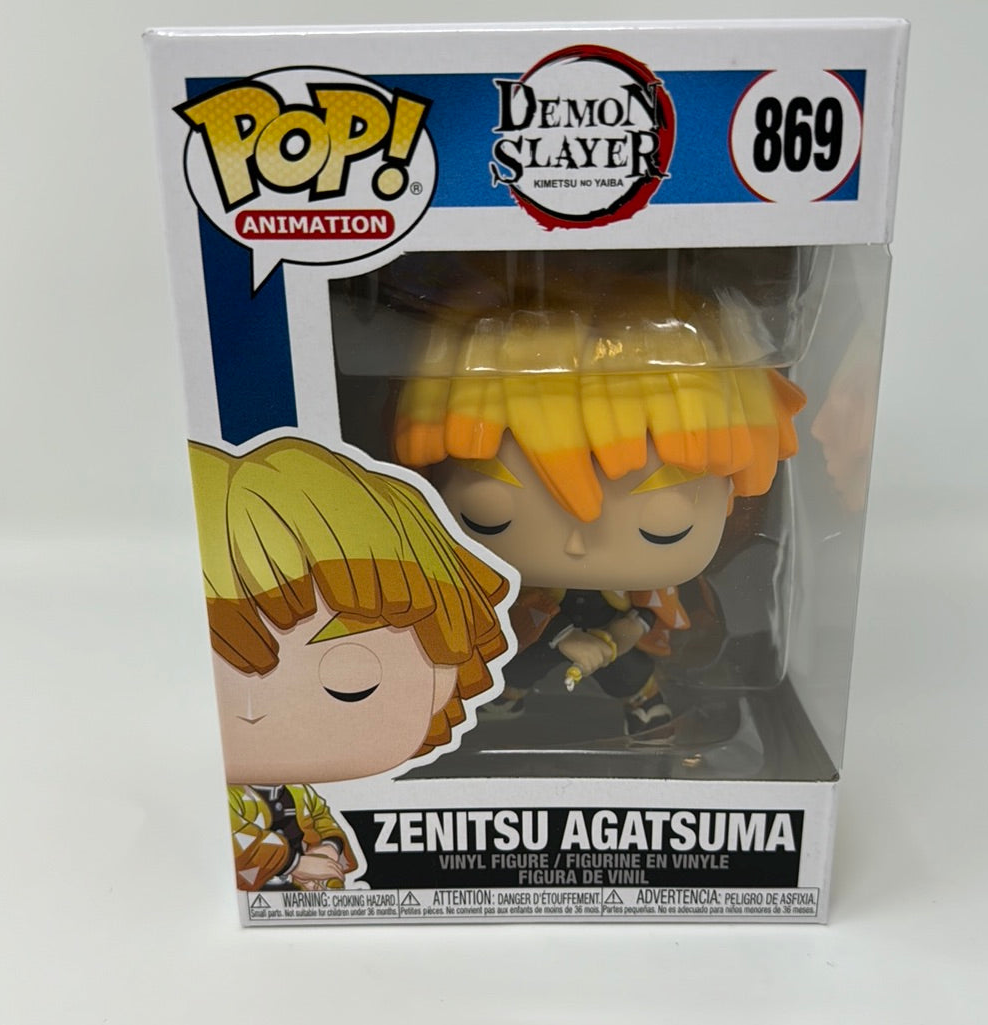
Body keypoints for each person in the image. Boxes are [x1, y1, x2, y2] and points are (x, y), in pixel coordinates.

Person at [393, 262, 804, 738]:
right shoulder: (507, 593)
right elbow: (511, 618)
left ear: (732, 496)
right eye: (489, 515)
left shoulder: (645, 592)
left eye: (663, 524)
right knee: (521, 662)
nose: (576, 544)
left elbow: (647, 614)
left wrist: (617, 638)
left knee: (627, 672)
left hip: (611, 640)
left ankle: (641, 699)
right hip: (538, 636)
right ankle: (505, 694)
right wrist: (567, 638)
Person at [190, 438, 512, 890]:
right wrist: (292, 863)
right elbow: (225, 840)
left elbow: (322, 821)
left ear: (444, 672)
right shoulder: (209, 796)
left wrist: (328, 849)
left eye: (350, 683)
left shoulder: (294, 791)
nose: (249, 710)